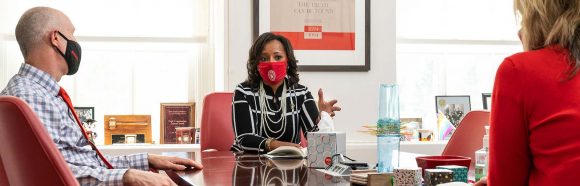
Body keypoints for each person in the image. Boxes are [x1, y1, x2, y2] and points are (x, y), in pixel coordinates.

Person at [0, 7, 203, 185]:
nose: (76, 43)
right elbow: (47, 172)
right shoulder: (32, 97)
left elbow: (81, 161)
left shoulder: (36, 91)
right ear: (55, 38)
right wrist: (127, 176)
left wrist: (145, 159)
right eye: (72, 35)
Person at [486, 0, 580, 185]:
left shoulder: (518, 71)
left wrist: (530, 52)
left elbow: (505, 181)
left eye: (522, 18)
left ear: (537, 18)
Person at [231, 32, 341, 153]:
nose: (271, 62)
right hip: (250, 164)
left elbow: (316, 139)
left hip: (290, 164)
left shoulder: (301, 93)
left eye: (277, 57)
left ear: (288, 61)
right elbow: (244, 139)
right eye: (263, 58)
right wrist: (277, 145)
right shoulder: (244, 91)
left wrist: (324, 118)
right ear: (256, 64)